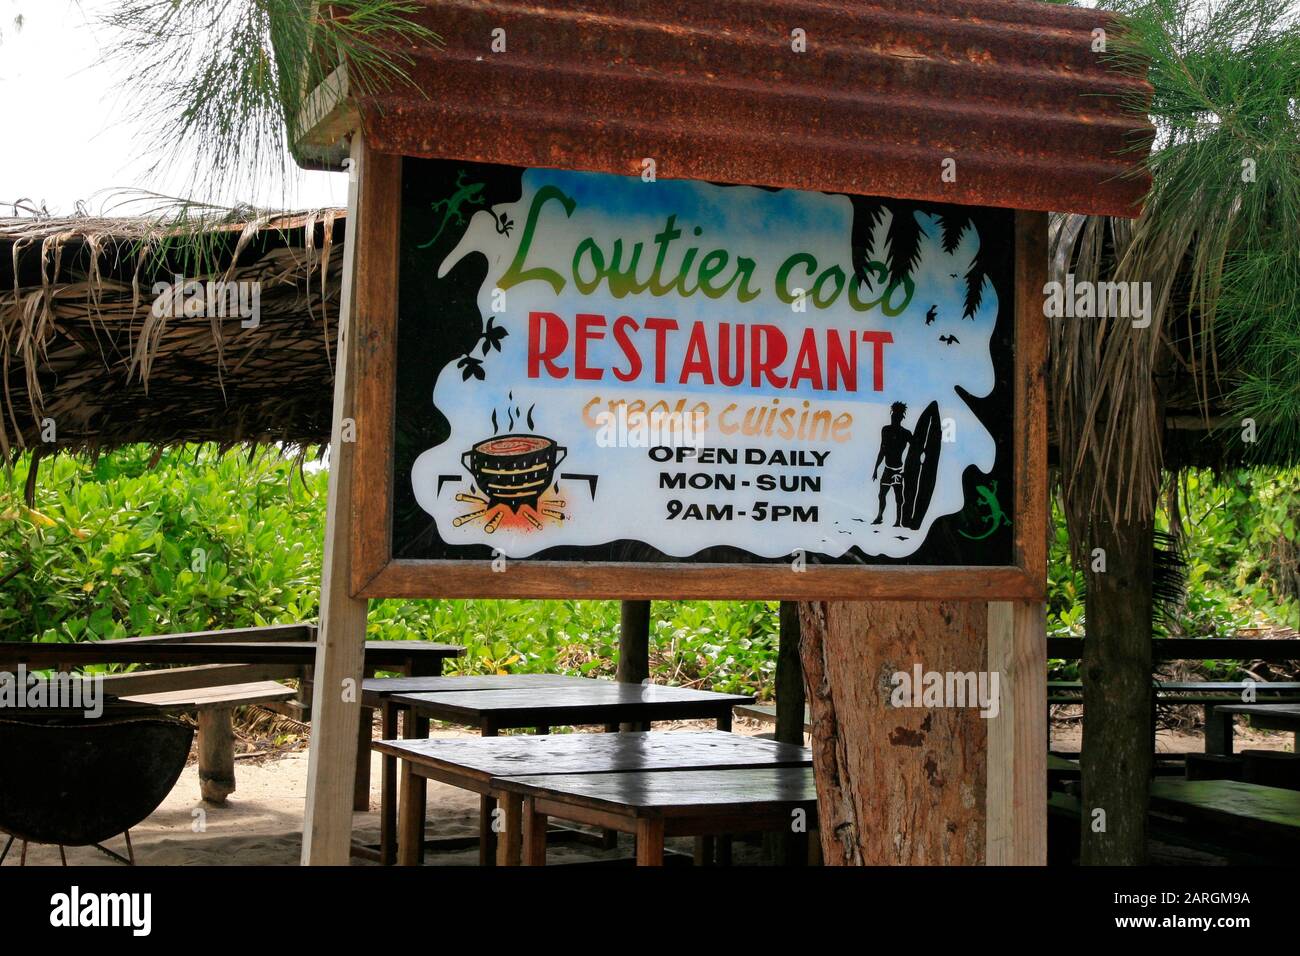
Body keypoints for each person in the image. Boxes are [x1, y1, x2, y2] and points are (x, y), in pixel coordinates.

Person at [871, 402, 911, 527]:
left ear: (900, 418)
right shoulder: (886, 430)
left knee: (899, 497)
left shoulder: (906, 433)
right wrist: (876, 469)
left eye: (896, 416)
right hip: (887, 470)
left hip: (898, 470)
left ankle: (898, 521)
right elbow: (882, 450)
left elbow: (916, 447)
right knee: (882, 494)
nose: (894, 417)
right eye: (893, 415)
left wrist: (909, 470)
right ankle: (879, 516)